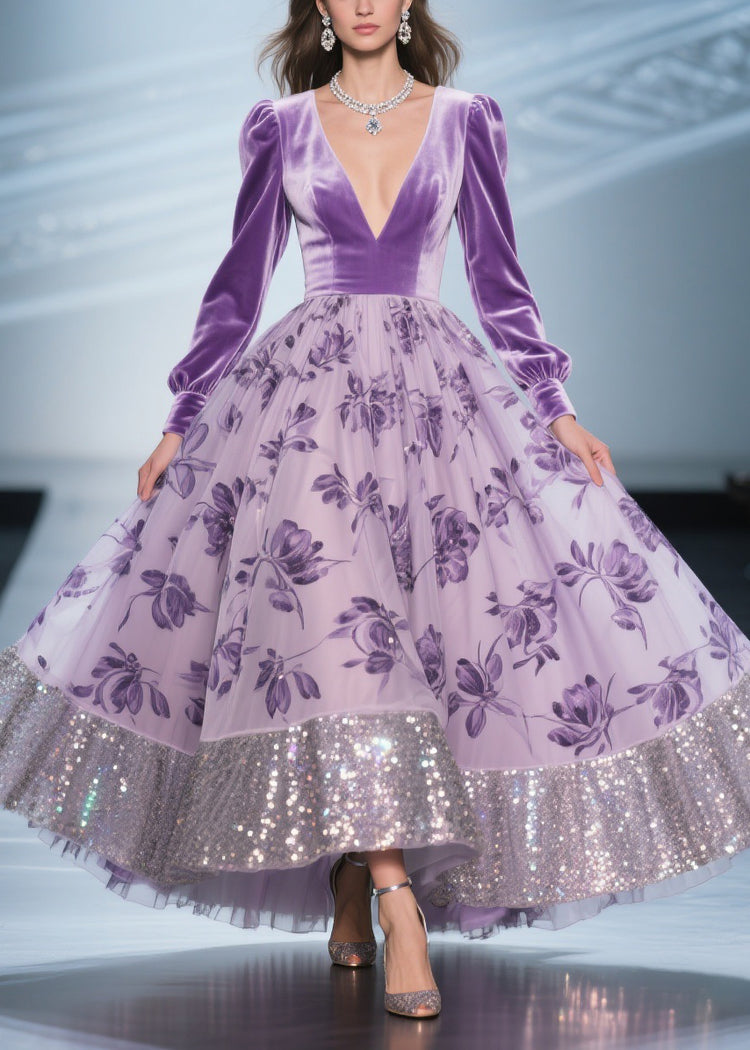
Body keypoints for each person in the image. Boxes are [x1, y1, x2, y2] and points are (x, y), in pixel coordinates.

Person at [1, 0, 749, 1022]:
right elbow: (236, 291)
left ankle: (354, 872)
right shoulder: (280, 127)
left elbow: (500, 283)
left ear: (408, 4)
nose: (361, 0)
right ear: (318, 6)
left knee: (433, 653)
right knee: (344, 645)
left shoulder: (467, 119)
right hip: (306, 416)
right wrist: (181, 419)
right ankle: (397, 900)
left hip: (439, 410)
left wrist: (556, 407)